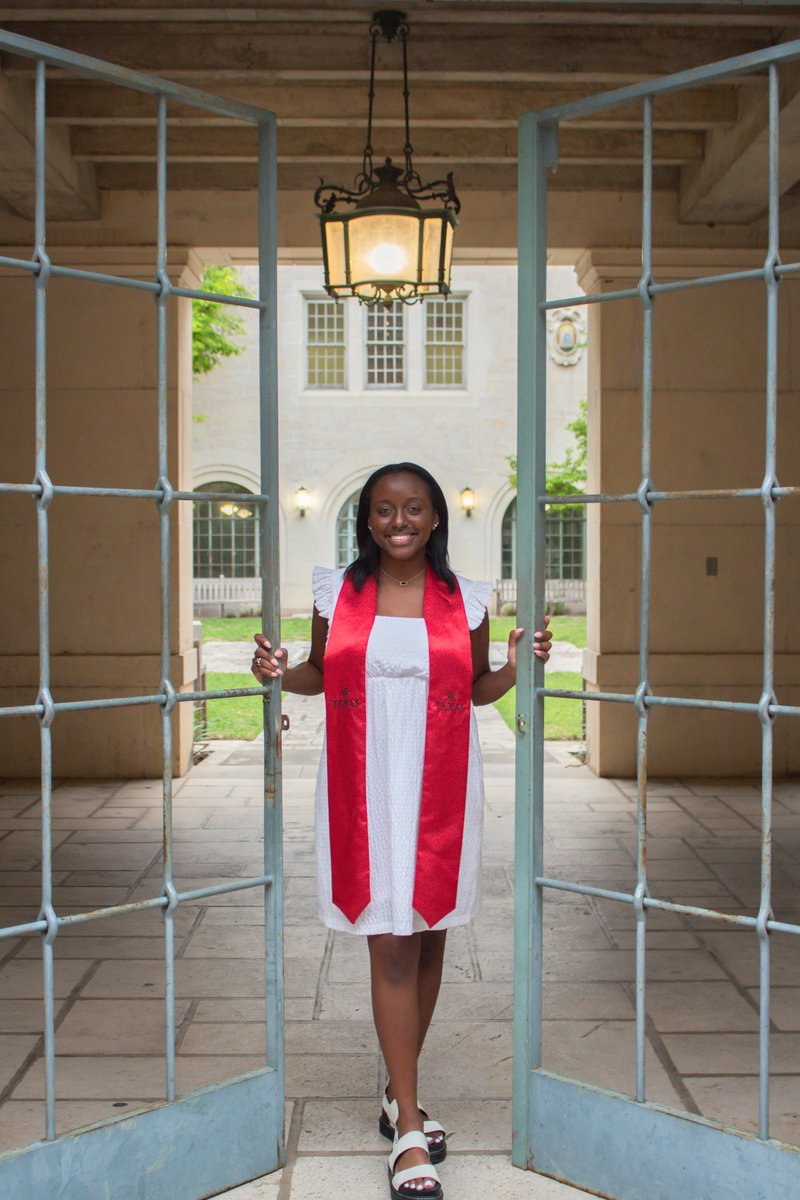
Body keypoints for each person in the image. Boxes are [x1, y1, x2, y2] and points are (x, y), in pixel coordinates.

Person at [251, 463, 552, 1200]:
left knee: (428, 935)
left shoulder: (466, 600)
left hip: (441, 780)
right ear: (367, 520)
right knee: (390, 941)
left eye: (413, 509)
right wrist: (274, 669)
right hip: (365, 779)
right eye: (384, 510)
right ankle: (410, 1131)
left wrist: (514, 670)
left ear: (436, 518)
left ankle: (396, 1090)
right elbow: (322, 672)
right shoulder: (339, 592)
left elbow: (476, 688)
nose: (399, 522)